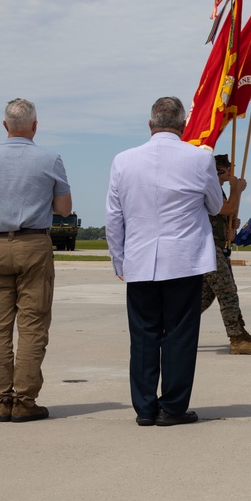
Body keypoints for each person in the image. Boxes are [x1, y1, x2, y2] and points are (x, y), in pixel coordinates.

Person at [106, 96, 225, 427]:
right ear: (183, 125)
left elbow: (113, 217)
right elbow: (215, 206)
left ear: (150, 124)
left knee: (143, 335)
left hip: (140, 260)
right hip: (184, 261)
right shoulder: (200, 159)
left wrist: (120, 261)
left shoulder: (123, 161)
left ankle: (144, 408)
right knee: (180, 335)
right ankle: (172, 407)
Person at [0, 98, 72, 423]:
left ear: (5, 126)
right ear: (35, 126)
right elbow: (65, 209)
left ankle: (1, 402)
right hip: (34, 246)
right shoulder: (50, 159)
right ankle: (25, 401)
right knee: (32, 326)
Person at [201, 154, 251, 355]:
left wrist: (231, 225)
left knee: (203, 298)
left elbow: (227, 213)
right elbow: (228, 207)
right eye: (227, 168)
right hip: (209, 248)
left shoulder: (217, 190)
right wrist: (236, 190)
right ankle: (236, 338)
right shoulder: (209, 188)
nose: (231, 172)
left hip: (218, 246)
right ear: (218, 171)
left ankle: (169, 328)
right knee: (227, 292)